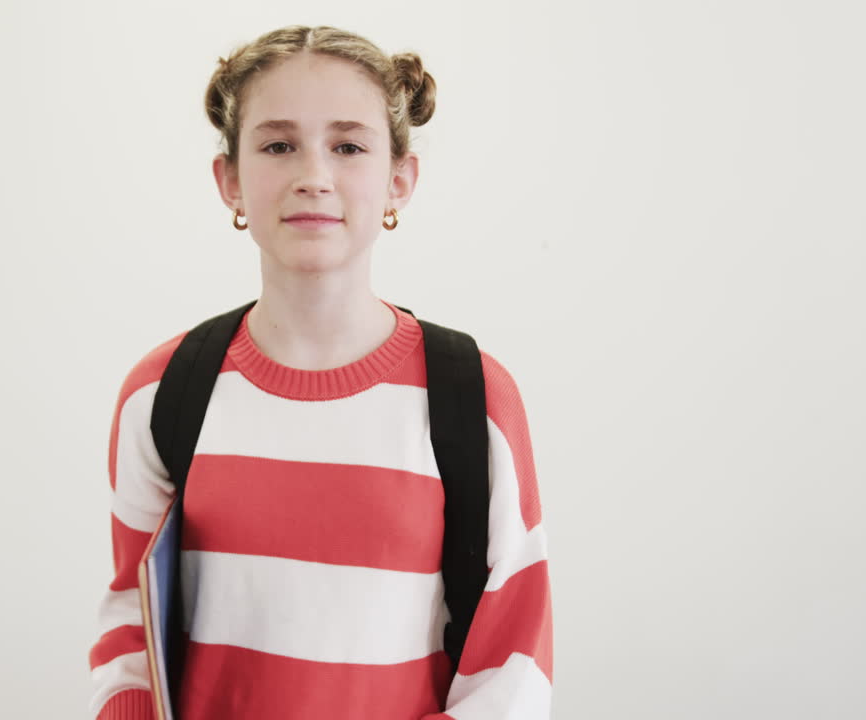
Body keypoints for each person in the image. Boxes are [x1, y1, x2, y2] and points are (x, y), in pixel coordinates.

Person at [86, 24, 552, 720]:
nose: (313, 175)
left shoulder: (475, 397)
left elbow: (513, 666)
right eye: (278, 145)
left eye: (348, 146)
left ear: (399, 180)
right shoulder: (162, 392)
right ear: (230, 181)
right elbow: (133, 628)